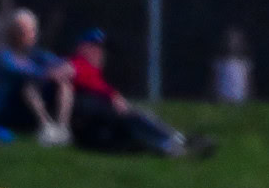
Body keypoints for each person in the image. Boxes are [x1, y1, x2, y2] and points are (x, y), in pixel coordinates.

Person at [66, 29, 214, 158]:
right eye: (95, 47)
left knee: (137, 120)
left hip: (105, 125)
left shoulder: (94, 74)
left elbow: (112, 97)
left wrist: (117, 100)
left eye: (102, 49)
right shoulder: (77, 64)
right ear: (82, 48)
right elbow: (64, 74)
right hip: (92, 127)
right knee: (133, 119)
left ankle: (178, 142)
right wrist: (116, 100)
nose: (101, 53)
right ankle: (177, 144)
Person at [0, 9, 73, 146]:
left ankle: (62, 129)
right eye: (29, 31)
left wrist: (62, 70)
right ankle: (47, 127)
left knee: (64, 84)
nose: (34, 35)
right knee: (28, 86)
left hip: (28, 110)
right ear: (15, 33)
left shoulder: (36, 54)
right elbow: (24, 72)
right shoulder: (3, 56)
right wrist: (49, 74)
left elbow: (64, 65)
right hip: (8, 112)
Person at [212, 27, 253, 104]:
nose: (232, 44)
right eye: (229, 41)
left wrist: (248, 97)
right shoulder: (219, 62)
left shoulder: (244, 63)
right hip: (222, 98)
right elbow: (214, 81)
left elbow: (248, 83)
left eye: (235, 41)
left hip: (239, 98)